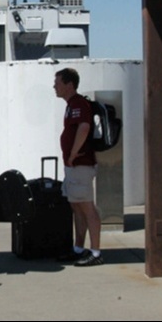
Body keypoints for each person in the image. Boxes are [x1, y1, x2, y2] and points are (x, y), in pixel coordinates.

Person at [53, 68, 103, 267]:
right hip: (73, 166)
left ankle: (96, 252)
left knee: (87, 208)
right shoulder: (71, 105)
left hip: (80, 164)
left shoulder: (79, 104)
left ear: (69, 84)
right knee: (77, 207)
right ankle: (79, 248)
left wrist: (73, 154)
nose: (54, 86)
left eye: (58, 83)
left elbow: (84, 127)